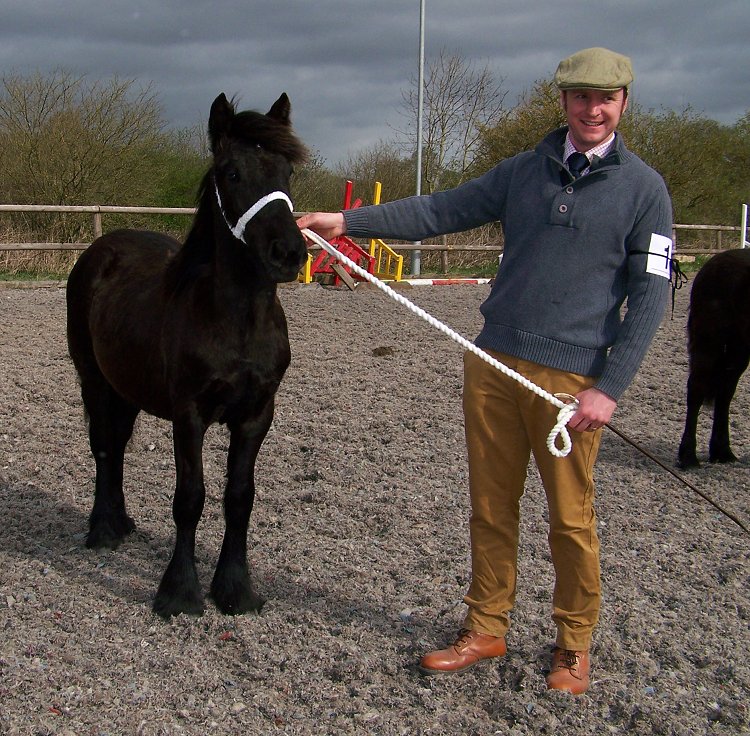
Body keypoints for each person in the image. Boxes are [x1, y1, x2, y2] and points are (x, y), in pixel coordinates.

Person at [297, 47, 673, 695]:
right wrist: (347, 221)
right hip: (493, 362)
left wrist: (608, 389)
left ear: (623, 103)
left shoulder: (646, 190)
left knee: (570, 519)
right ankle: (486, 625)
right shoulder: (522, 171)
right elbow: (439, 211)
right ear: (563, 102)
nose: (592, 108)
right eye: (581, 96)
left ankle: (573, 643)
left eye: (605, 97)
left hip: (571, 383)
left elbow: (651, 295)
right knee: (491, 507)